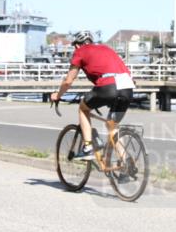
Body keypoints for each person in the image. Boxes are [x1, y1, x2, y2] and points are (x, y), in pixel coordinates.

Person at [50, 30, 135, 160]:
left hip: (108, 86)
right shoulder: (106, 48)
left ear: (77, 45)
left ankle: (88, 147)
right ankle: (126, 163)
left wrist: (58, 95)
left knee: (83, 109)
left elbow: (68, 81)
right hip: (127, 87)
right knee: (112, 125)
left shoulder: (80, 51)